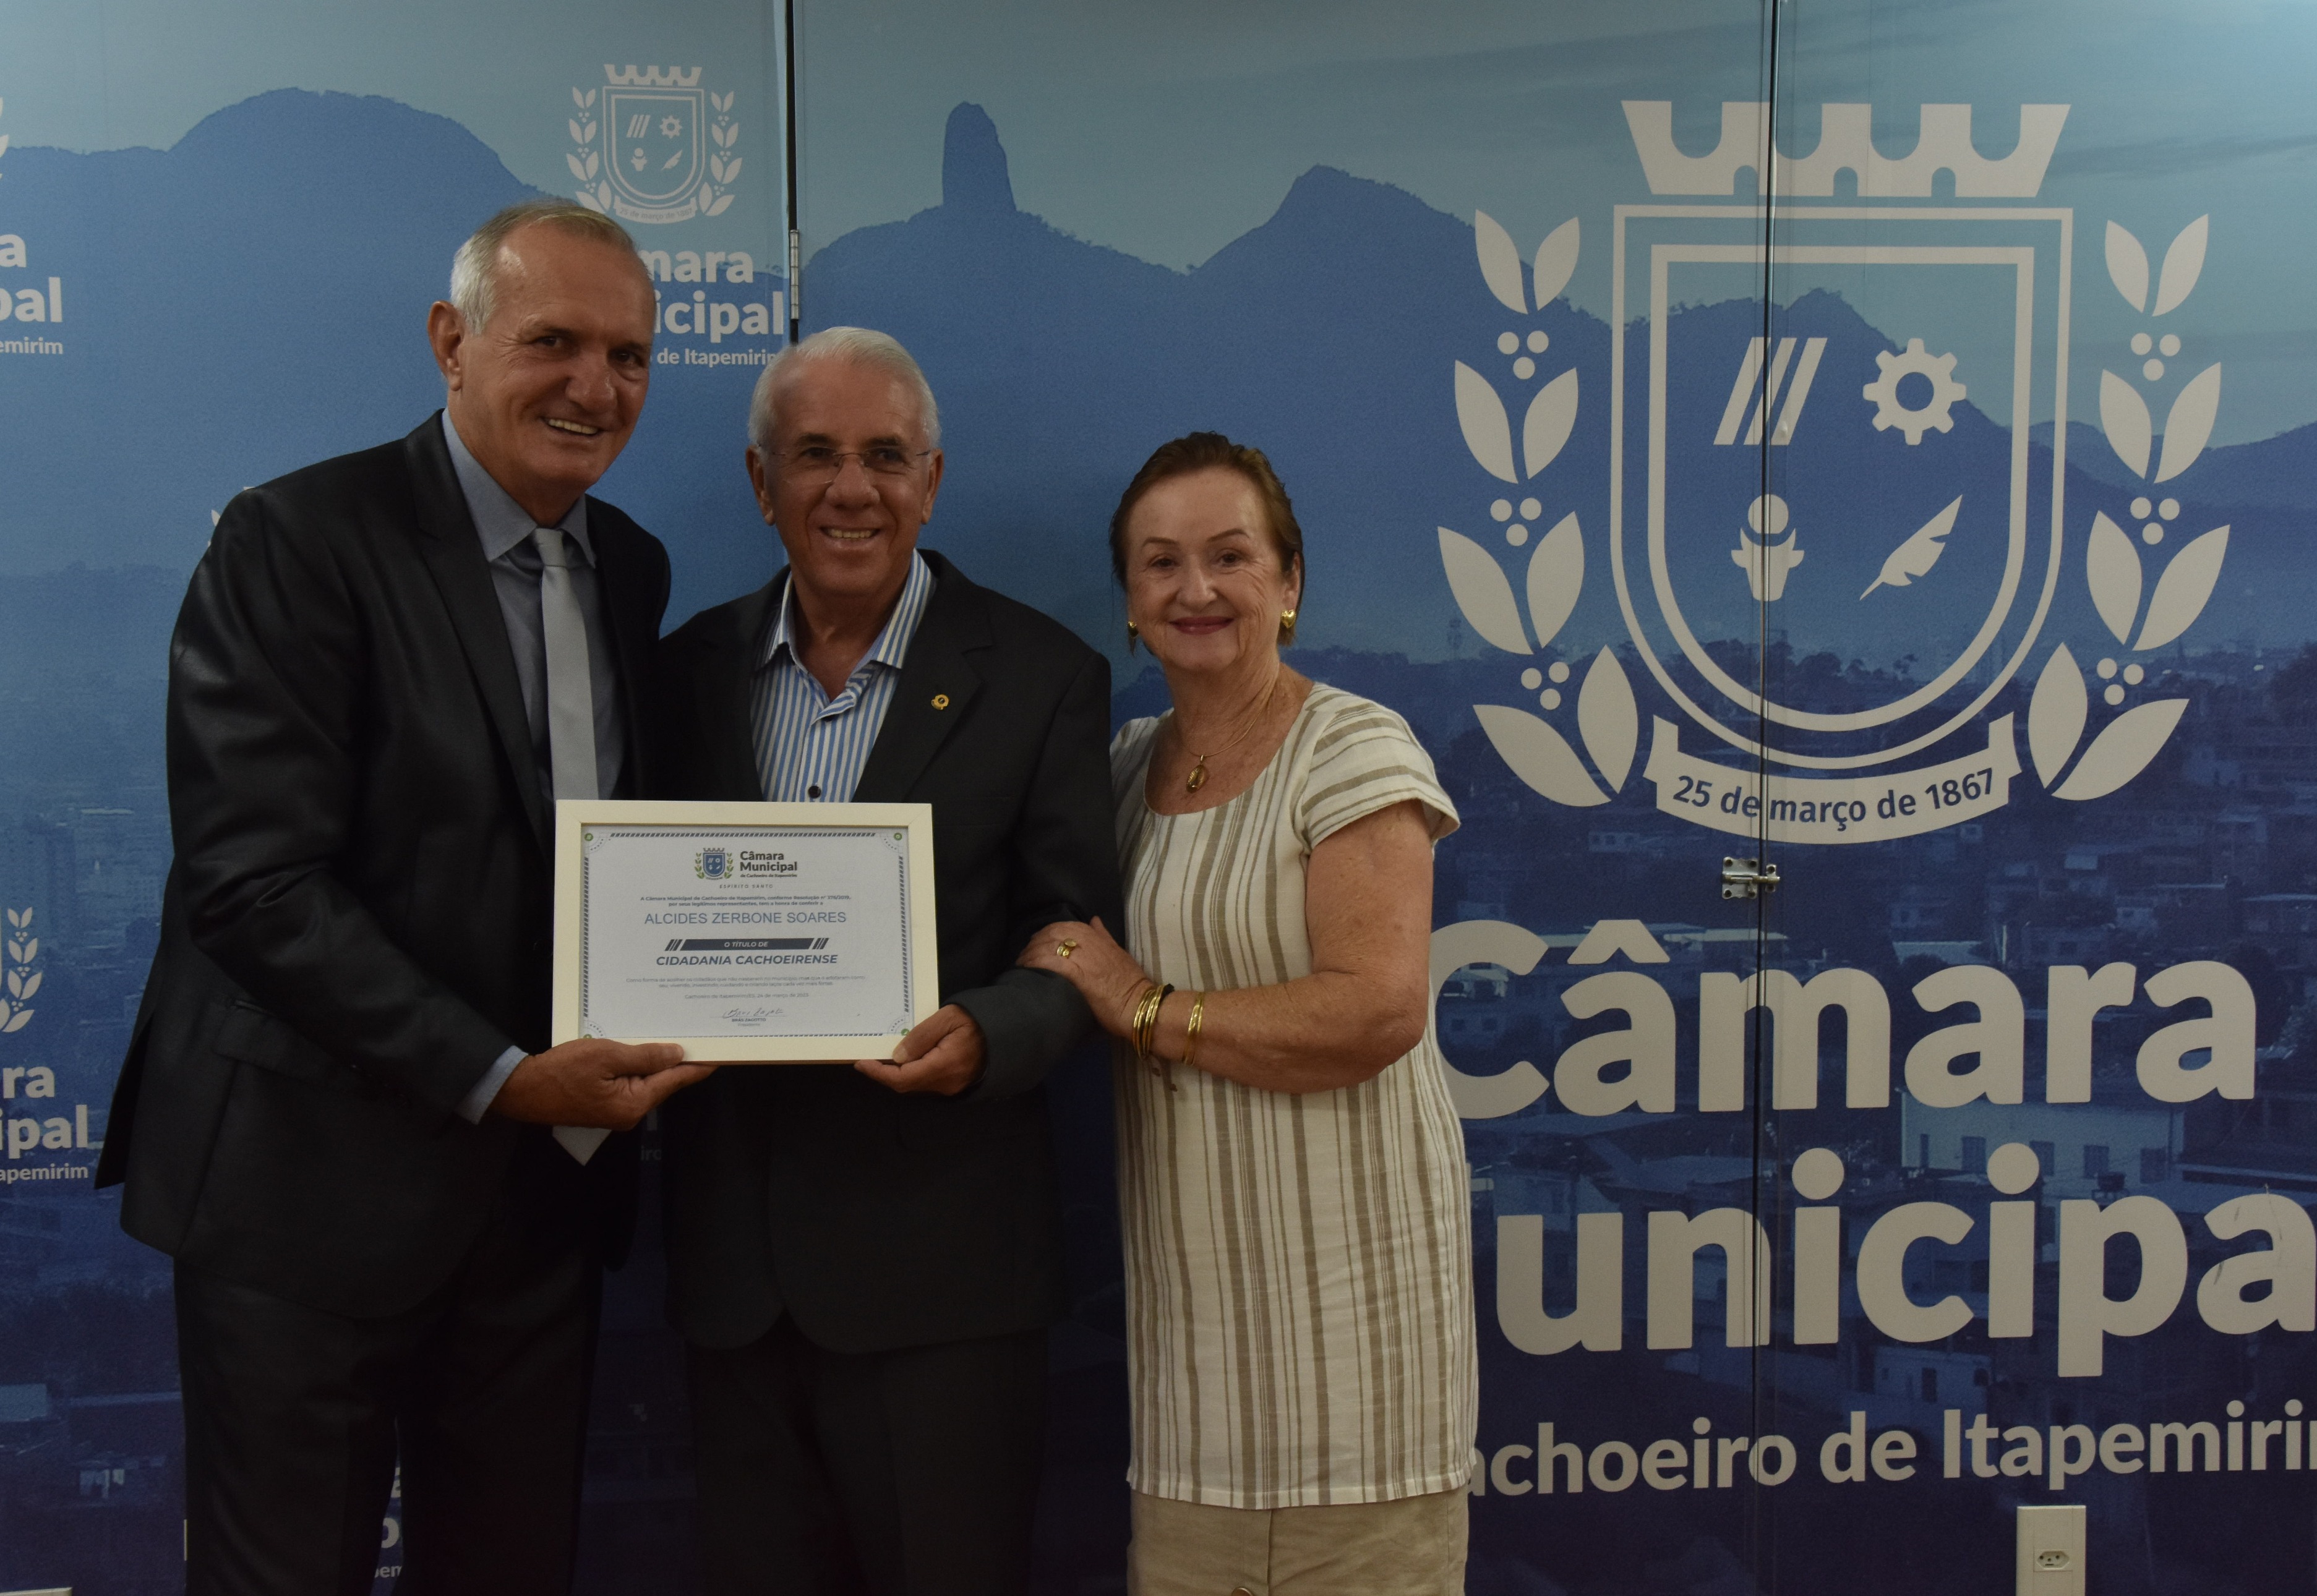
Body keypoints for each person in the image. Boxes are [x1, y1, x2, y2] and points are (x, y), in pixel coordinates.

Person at [96, 199, 714, 1596]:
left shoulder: (629, 566)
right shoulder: (294, 539)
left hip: (535, 1211)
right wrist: (501, 1075)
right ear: (452, 341)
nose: (595, 385)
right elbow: (254, 884)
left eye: (628, 355)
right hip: (303, 1199)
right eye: (554, 341)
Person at [654, 325, 1121, 1595]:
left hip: (945, 1278)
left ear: (932, 479)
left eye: (884, 456)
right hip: (734, 1274)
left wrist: (988, 1033)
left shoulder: (1043, 677)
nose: (850, 489)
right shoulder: (681, 673)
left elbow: (1075, 934)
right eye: (814, 455)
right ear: (761, 483)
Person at [1019, 432, 1476, 1596]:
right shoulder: (1122, 769)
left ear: (1289, 581)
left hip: (1359, 1384)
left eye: (1231, 556)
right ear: (1131, 603)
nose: (1197, 589)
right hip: (1195, 1385)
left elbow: (1376, 1009)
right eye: (1161, 562)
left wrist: (1142, 1004)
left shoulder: (1352, 745)